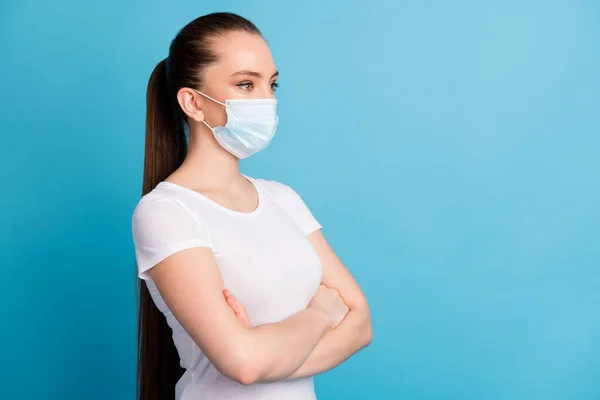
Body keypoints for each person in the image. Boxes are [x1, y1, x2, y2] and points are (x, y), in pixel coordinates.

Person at [131, 12, 372, 400]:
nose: (266, 100)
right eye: (246, 84)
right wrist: (321, 314)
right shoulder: (166, 212)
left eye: (272, 84)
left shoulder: (283, 199)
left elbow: (361, 325)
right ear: (193, 102)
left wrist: (266, 356)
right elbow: (244, 364)